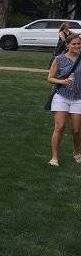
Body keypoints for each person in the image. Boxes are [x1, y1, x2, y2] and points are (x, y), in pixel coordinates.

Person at [47, 33, 81, 166]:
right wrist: (62, 81)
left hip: (78, 98)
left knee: (76, 130)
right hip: (61, 96)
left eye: (79, 44)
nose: (77, 46)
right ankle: (54, 157)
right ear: (67, 45)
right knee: (59, 127)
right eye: (74, 44)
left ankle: (76, 152)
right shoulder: (59, 59)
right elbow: (50, 78)